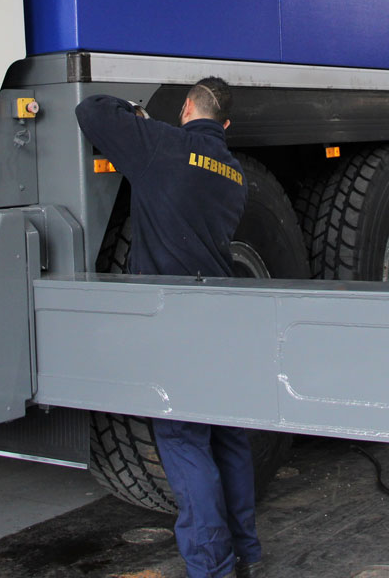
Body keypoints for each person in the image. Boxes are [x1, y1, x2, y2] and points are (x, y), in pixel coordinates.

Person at [74, 79, 265, 578]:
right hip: (223, 314)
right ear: (224, 126)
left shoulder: (161, 143)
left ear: (185, 110)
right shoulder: (236, 175)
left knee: (183, 439)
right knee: (228, 436)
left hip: (176, 319)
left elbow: (90, 110)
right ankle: (245, 550)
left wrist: (136, 115)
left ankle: (211, 567)